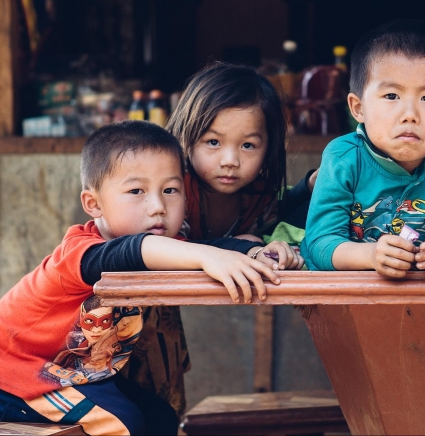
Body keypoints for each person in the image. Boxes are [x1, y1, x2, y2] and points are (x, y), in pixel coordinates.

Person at [0, 121, 281, 435]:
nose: (158, 207)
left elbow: (203, 247)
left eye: (170, 190)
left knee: (161, 418)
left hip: (71, 372)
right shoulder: (81, 252)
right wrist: (207, 257)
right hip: (7, 376)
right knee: (123, 423)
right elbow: (133, 250)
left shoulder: (163, 247)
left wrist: (253, 251)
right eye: (136, 191)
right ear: (94, 204)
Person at [123, 62, 315, 415]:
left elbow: (277, 212)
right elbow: (175, 249)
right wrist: (247, 246)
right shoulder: (175, 188)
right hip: (123, 312)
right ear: (186, 135)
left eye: (248, 145)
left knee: (163, 403)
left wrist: (311, 188)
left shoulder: (258, 189)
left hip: (165, 317)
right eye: (213, 142)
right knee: (127, 397)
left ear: (269, 146)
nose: (230, 160)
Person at [301, 19, 425, 276]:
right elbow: (319, 244)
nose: (410, 115)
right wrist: (370, 255)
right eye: (392, 96)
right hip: (353, 301)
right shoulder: (343, 158)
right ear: (358, 108)